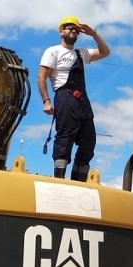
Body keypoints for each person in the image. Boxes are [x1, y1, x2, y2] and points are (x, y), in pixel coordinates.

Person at [37, 16, 111, 181]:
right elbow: (41, 77)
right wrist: (46, 101)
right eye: (70, 28)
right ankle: (59, 178)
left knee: (88, 140)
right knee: (65, 137)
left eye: (76, 30)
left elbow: (105, 52)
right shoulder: (53, 51)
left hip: (83, 100)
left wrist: (93, 34)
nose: (73, 31)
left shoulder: (82, 53)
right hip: (64, 96)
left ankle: (79, 180)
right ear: (61, 31)